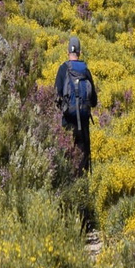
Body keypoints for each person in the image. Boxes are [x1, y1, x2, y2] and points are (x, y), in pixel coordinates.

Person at [53, 35, 99, 174]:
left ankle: (68, 185)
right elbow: (94, 101)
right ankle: (81, 186)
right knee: (82, 158)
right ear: (79, 52)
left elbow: (56, 94)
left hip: (68, 121)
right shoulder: (85, 70)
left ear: (68, 52)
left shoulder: (63, 69)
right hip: (83, 124)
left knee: (67, 156)